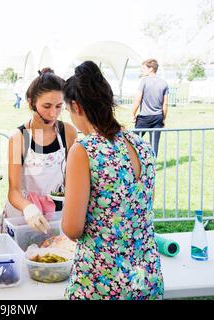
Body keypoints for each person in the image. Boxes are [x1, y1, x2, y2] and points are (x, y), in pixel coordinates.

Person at [61, 61, 164, 300]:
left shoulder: (84, 150)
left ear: (76, 106)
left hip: (102, 279)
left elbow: (73, 228)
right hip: (145, 274)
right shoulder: (141, 145)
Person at [1, 68, 77, 233]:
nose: (53, 113)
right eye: (47, 106)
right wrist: (28, 208)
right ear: (31, 103)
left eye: (58, 106)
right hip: (24, 215)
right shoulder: (20, 137)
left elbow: (70, 180)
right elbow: (13, 191)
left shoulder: (67, 133)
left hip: (55, 214)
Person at [132, 59, 169, 158]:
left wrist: (133, 114)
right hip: (158, 117)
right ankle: (153, 166)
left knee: (133, 141)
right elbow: (165, 104)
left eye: (144, 68)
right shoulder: (164, 83)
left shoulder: (144, 81)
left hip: (144, 118)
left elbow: (137, 100)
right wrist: (164, 119)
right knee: (154, 144)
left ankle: (133, 163)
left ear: (151, 69)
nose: (142, 70)